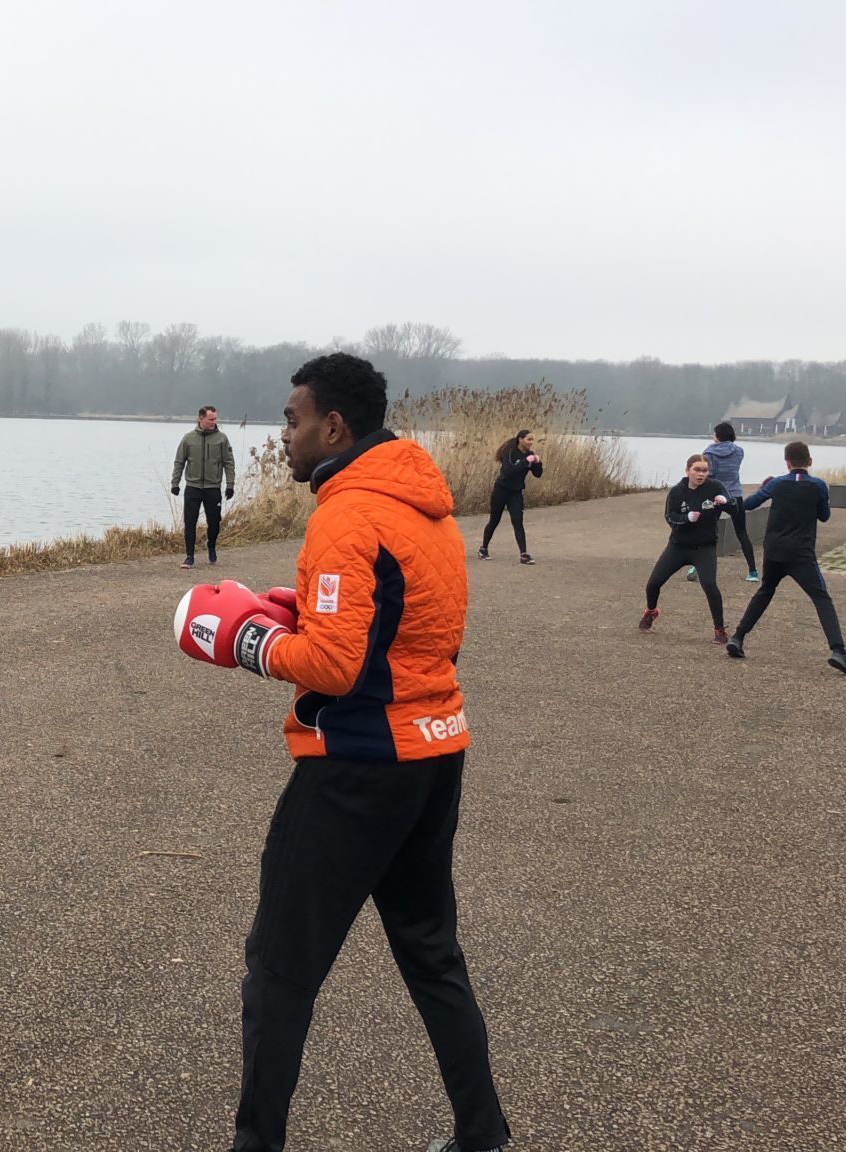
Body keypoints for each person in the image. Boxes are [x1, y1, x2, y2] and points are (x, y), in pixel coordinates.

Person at [173, 352, 510, 1152]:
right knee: (431, 953)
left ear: (333, 426)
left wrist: (249, 641)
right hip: (435, 753)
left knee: (278, 971)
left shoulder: (347, 514)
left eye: (292, 421)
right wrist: (302, 611)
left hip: (359, 768)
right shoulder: (427, 510)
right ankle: (483, 1135)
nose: (284, 436)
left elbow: (334, 666)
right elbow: (415, 631)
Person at [725, 442, 846, 676]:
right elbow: (824, 516)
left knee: (765, 591)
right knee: (821, 598)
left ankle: (737, 637)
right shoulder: (818, 485)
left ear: (787, 462)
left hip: (774, 551)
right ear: (809, 461)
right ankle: (838, 651)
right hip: (801, 554)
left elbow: (747, 505)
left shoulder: (777, 484)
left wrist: (763, 487)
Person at [640, 455, 732, 643]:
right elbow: (670, 516)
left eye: (704, 470)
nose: (701, 474)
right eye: (697, 470)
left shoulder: (715, 487)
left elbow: (732, 504)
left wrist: (725, 501)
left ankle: (719, 630)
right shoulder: (677, 492)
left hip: (704, 547)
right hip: (678, 546)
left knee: (709, 585)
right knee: (654, 583)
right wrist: (686, 518)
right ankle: (651, 611)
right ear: (688, 470)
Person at [691, 422, 759, 583]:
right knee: (742, 533)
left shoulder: (709, 453)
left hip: (715, 497)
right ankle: (753, 571)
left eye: (714, 433)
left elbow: (709, 474)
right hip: (735, 496)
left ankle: (697, 567)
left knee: (707, 529)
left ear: (718, 436)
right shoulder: (739, 451)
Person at [172, 405, 237, 569]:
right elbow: (179, 462)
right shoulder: (188, 439)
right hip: (193, 487)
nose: (214, 422)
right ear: (201, 418)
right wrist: (175, 483)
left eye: (215, 419)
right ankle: (189, 557)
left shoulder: (222, 439)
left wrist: (230, 485)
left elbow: (229, 463)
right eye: (211, 419)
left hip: (212, 488)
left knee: (214, 523)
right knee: (190, 522)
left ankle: (211, 545)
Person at [479, 430, 542, 564]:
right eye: (528, 439)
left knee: (518, 521)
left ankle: (524, 554)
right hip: (501, 490)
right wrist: (525, 461)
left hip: (516, 492)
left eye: (532, 440)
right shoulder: (509, 452)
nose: (531, 442)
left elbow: (538, 474)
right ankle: (483, 549)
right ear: (520, 439)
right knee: (494, 520)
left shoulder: (529, 454)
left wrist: (537, 462)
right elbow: (508, 471)